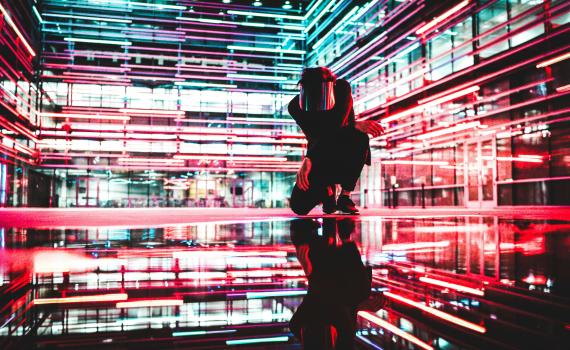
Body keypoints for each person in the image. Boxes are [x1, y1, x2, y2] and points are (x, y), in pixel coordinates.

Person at [288, 67, 384, 215]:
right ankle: (327, 191)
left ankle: (345, 196)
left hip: (343, 149)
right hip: (320, 153)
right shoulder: (295, 107)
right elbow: (316, 135)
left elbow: (336, 124)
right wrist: (309, 160)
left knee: (359, 137)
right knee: (299, 206)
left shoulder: (341, 89)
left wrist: (308, 159)